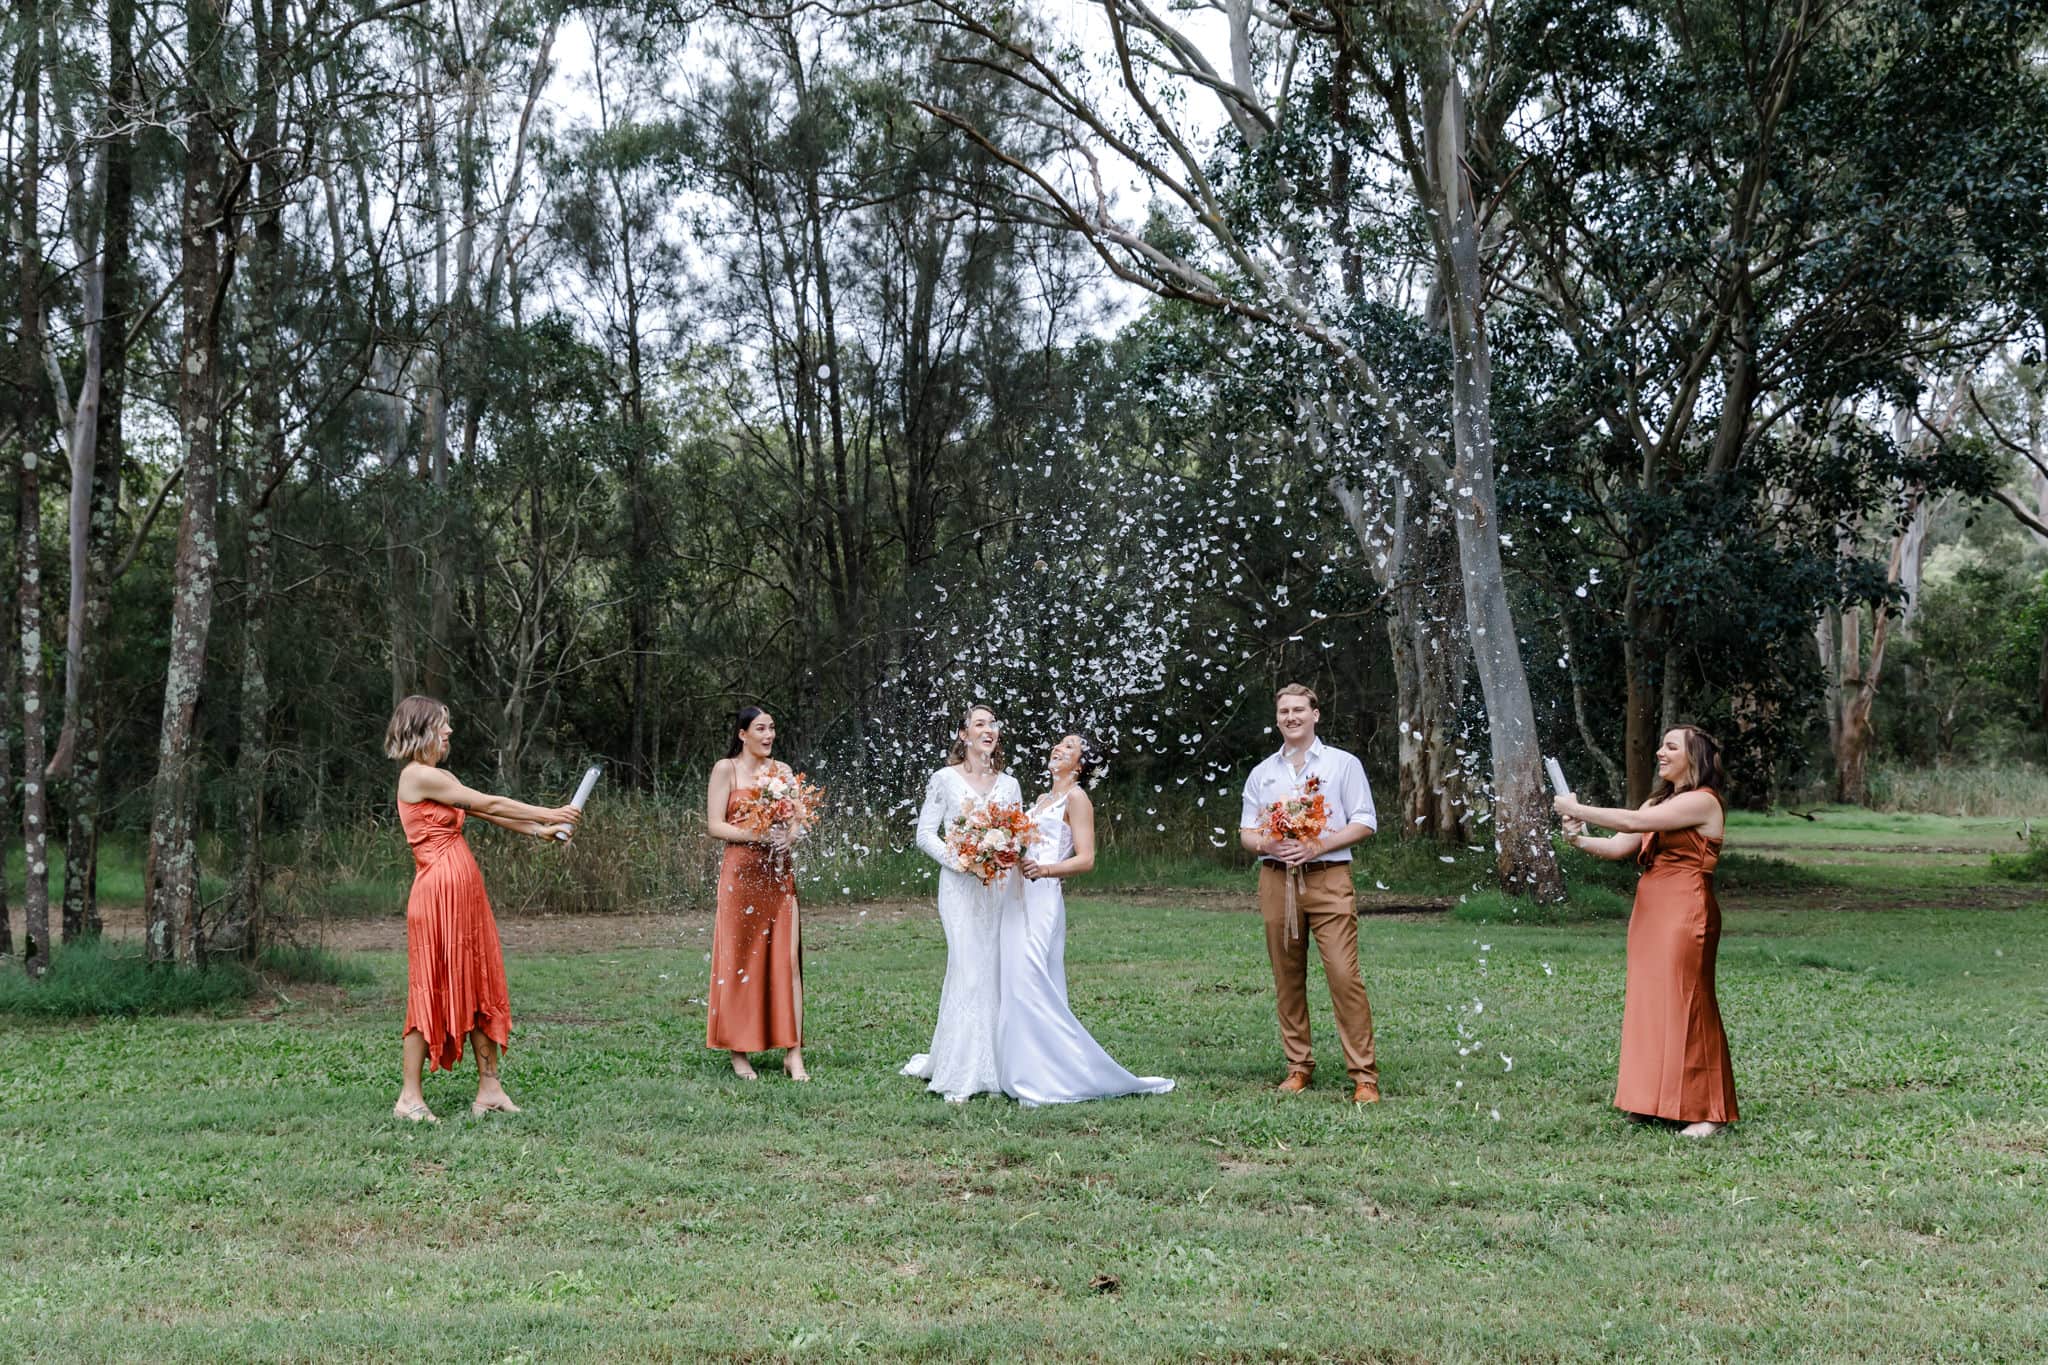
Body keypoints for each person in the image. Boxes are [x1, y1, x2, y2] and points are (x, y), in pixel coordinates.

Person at [386, 695, 579, 1123]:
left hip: (464, 894)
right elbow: (488, 802)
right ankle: (409, 1098)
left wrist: (539, 830)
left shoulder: (440, 776)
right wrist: (551, 810)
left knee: (477, 980)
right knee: (430, 985)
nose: (449, 731)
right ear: (421, 730)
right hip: (437, 895)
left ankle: (489, 1090)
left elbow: (490, 815)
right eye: (442, 724)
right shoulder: (416, 776)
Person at [1554, 725, 1738, 1137]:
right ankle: (1651, 1101)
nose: (1660, 752)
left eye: (1671, 747)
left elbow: (1634, 821)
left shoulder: (1703, 802)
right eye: (1661, 744)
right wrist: (1578, 840)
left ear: (1695, 757)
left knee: (1687, 1002)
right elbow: (1620, 846)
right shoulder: (1662, 800)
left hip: (1685, 910)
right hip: (1652, 910)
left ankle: (1707, 1111)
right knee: (1650, 1002)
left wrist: (1579, 809)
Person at [1000, 734, 1174, 1106]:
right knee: (1016, 980)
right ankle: (1024, 1068)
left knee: (1032, 979)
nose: (1058, 748)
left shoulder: (1076, 798)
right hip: (1018, 896)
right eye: (1058, 743)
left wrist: (1044, 869)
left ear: (1079, 764)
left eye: (1069, 747)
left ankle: (1057, 1074)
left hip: (1043, 895)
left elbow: (1087, 858)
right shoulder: (1042, 799)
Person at [1237, 684, 1382, 1104]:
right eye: (1284, 711)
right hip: (1276, 879)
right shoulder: (1263, 772)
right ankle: (1298, 1067)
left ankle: (1364, 1076)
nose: (1291, 716)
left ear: (1315, 714)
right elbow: (1247, 831)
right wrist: (1267, 843)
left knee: (1343, 975)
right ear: (1278, 718)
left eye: (1299, 709)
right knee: (1287, 977)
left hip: (1328, 877)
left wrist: (1319, 843)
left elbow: (1365, 820)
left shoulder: (1343, 764)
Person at [902, 703, 1020, 1102]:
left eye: (993, 724)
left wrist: (1002, 853)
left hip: (999, 889)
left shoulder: (1010, 785)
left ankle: (1000, 1061)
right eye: (979, 723)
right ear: (963, 734)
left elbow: (1018, 836)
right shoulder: (944, 780)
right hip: (958, 887)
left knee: (996, 970)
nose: (989, 729)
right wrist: (962, 860)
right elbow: (925, 834)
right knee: (967, 968)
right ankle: (962, 1068)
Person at [703, 706, 808, 1082]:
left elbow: (798, 819)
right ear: (743, 734)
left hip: (778, 875)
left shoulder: (781, 772)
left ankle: (793, 1052)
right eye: (761, 728)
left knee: (787, 961)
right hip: (741, 875)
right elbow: (715, 826)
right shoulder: (725, 769)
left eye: (773, 728)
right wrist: (756, 835)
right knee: (740, 961)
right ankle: (739, 1050)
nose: (769, 735)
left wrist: (788, 835)